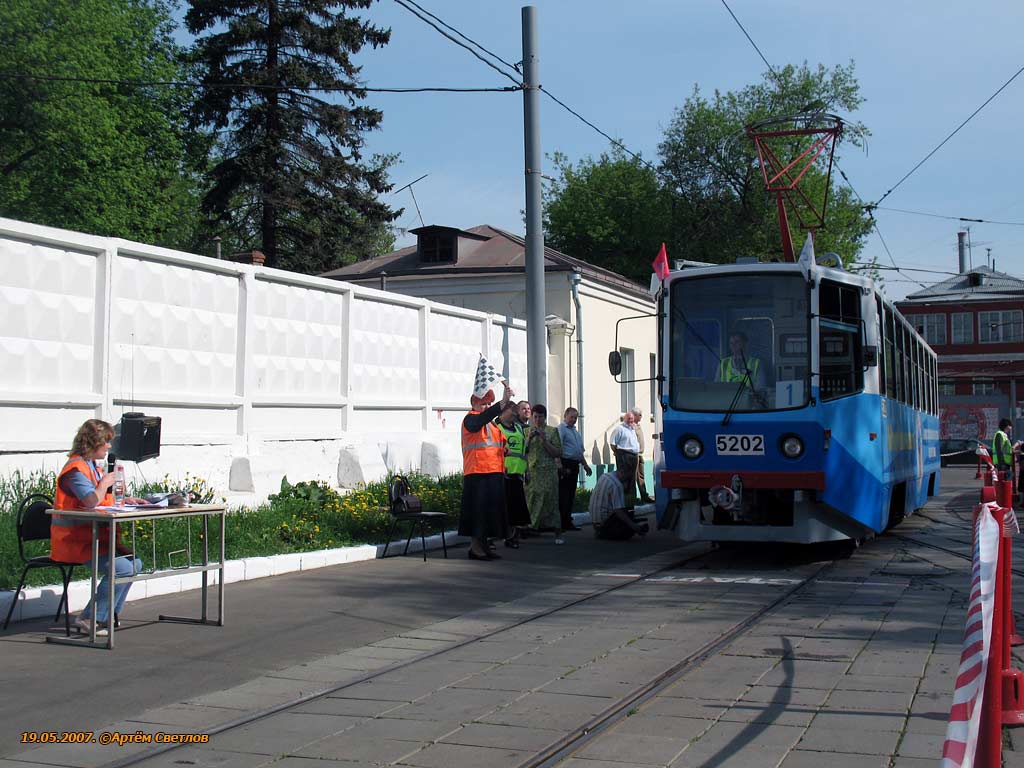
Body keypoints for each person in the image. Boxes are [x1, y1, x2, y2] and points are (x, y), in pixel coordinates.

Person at [52, 419, 145, 636]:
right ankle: (89, 618)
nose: (109, 447)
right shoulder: (75, 470)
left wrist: (126, 500)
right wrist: (105, 483)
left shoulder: (91, 466)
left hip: (96, 539)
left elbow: (103, 501)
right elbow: (91, 501)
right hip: (75, 542)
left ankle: (107, 615)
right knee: (121, 568)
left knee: (135, 563)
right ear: (93, 443)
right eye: (106, 442)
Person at [460, 382, 513, 561]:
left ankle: (484, 547)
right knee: (478, 513)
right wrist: (502, 403)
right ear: (474, 404)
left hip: (493, 473)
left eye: (489, 403)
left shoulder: (490, 424)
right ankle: (475, 549)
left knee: (489, 514)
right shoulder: (471, 419)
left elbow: (500, 443)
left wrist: (504, 451)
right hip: (477, 473)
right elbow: (478, 425)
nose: (487, 406)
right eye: (483, 403)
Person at [525, 404, 564, 543]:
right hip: (532, 472)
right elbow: (523, 452)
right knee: (531, 500)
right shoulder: (526, 431)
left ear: (545, 417)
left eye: (540, 417)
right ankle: (528, 528)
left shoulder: (552, 431)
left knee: (551, 501)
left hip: (548, 472)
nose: (537, 420)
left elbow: (558, 453)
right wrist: (529, 438)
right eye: (535, 417)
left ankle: (558, 533)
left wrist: (544, 440)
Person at [495, 401, 530, 548]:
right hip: (503, 473)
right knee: (502, 508)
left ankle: (513, 538)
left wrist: (527, 470)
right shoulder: (497, 428)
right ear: (503, 412)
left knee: (517, 508)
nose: (514, 414)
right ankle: (494, 537)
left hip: (518, 473)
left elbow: (524, 451)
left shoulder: (518, 428)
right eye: (512, 411)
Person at [589, 464, 650, 540]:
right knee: (628, 523)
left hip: (595, 521)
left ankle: (601, 531)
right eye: (627, 478)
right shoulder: (617, 485)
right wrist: (634, 526)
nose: (626, 481)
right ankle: (606, 532)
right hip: (605, 521)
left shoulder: (604, 476)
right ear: (622, 472)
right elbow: (618, 511)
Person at [557, 407, 591, 532]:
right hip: (565, 464)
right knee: (563, 494)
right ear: (565, 416)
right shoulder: (561, 429)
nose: (574, 420)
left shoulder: (575, 432)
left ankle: (567, 521)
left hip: (574, 464)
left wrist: (586, 465)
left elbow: (579, 451)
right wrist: (560, 466)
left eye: (575, 417)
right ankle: (561, 522)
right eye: (571, 417)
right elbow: (558, 448)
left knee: (571, 494)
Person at [610, 411, 640, 509]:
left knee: (632, 480)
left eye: (632, 419)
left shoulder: (632, 428)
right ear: (624, 419)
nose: (631, 421)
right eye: (629, 419)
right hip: (624, 456)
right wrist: (618, 453)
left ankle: (631, 504)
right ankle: (623, 505)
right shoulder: (620, 429)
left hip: (634, 457)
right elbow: (613, 443)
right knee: (624, 480)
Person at [630, 407, 654, 504]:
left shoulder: (638, 426)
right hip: (634, 455)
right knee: (632, 478)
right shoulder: (631, 426)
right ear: (635, 415)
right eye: (640, 415)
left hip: (640, 454)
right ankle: (633, 498)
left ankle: (644, 496)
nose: (641, 417)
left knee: (641, 476)